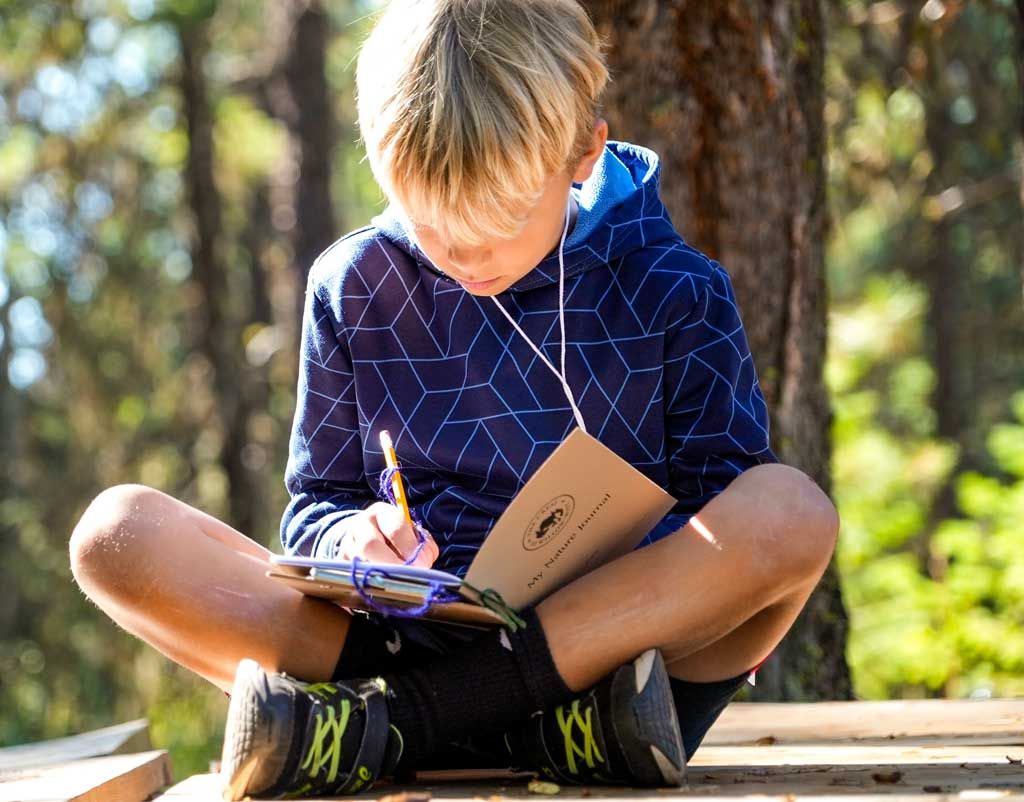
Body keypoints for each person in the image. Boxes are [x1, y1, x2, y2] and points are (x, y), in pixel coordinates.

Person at [68, 0, 841, 798]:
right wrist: (355, 541)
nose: (465, 253)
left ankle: (392, 727)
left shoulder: (676, 290)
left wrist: (625, 568)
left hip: (611, 656)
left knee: (791, 511)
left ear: (582, 154)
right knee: (114, 536)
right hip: (398, 640)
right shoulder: (354, 286)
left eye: (500, 218)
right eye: (431, 221)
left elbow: (730, 495)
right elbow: (317, 505)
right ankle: (513, 728)